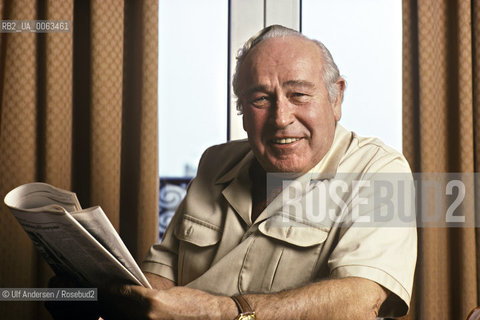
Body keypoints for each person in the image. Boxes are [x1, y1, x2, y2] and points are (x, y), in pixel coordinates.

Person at [50, 25, 417, 320]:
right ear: (241, 108)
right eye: (260, 99)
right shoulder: (214, 163)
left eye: (299, 95)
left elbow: (360, 302)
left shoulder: (382, 172)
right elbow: (161, 280)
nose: (281, 118)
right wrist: (105, 297)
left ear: (336, 98)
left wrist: (222, 311)